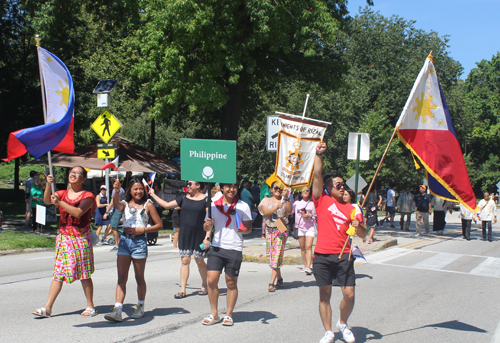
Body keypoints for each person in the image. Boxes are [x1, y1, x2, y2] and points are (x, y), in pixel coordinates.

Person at [312, 142, 365, 343]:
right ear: (328, 188)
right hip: (323, 255)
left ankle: (342, 323)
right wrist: (318, 155)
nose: (343, 188)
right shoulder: (321, 200)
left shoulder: (352, 207)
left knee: (349, 295)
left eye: (344, 185)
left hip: (344, 255)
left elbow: (362, 233)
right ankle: (328, 332)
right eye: (338, 185)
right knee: (324, 295)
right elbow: (317, 175)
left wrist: (357, 223)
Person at [32, 166, 97, 318]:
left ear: (83, 179)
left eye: (78, 173)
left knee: (84, 273)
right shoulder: (62, 193)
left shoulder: (88, 196)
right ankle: (47, 308)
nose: (73, 175)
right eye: (71, 172)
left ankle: (91, 306)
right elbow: (47, 200)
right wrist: (48, 184)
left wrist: (60, 203)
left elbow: (78, 212)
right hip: (63, 238)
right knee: (58, 274)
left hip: (80, 239)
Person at [104, 178, 163, 321]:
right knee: (121, 277)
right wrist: (116, 191)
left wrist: (142, 230)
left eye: (141, 189)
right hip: (124, 241)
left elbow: (159, 225)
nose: (138, 191)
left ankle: (140, 305)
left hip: (139, 243)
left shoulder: (148, 205)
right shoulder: (124, 204)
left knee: (139, 277)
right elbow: (116, 204)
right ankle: (117, 309)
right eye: (135, 189)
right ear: (130, 190)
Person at [201, 182, 252, 326]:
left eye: (235, 187)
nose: (232, 189)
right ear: (222, 188)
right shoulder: (213, 205)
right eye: (228, 186)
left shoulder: (243, 206)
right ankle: (214, 313)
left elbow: (248, 227)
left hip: (234, 248)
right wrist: (207, 226)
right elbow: (206, 226)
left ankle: (229, 314)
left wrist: (244, 230)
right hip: (217, 248)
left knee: (231, 282)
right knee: (211, 280)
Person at [149, 181, 209, 298]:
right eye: (187, 184)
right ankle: (183, 290)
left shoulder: (206, 200)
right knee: (185, 260)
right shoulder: (183, 198)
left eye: (190, 184)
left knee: (199, 260)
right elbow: (166, 205)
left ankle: (204, 284)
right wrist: (153, 194)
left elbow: (210, 220)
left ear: (198, 185)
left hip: (200, 236)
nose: (188, 186)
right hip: (185, 235)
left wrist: (207, 237)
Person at [258, 181, 292, 292]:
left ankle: (271, 283)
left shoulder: (285, 200)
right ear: (271, 189)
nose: (278, 190)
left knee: (277, 256)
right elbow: (265, 212)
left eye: (280, 188)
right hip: (270, 229)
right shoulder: (266, 200)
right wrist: (276, 206)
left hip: (281, 230)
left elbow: (290, 210)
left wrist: (286, 198)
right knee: (271, 257)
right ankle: (280, 278)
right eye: (276, 188)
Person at [293, 186, 316, 275]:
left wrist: (309, 216)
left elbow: (316, 215)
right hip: (300, 227)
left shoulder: (312, 204)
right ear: (301, 193)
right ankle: (305, 265)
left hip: (310, 227)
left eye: (307, 190)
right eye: (304, 191)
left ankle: (308, 267)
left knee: (308, 246)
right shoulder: (296, 203)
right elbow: (290, 212)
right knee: (302, 247)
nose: (306, 192)